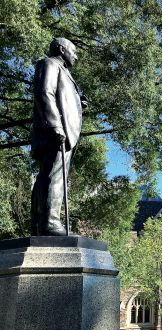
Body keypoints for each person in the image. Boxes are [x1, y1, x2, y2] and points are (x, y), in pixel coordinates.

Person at [31, 37, 88, 236]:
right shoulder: (49, 64)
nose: (76, 56)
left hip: (62, 133)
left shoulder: (63, 71)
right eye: (74, 51)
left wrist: (78, 101)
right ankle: (49, 223)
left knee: (51, 175)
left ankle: (41, 222)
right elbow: (44, 93)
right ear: (62, 49)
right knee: (54, 176)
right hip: (55, 132)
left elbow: (60, 97)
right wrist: (55, 124)